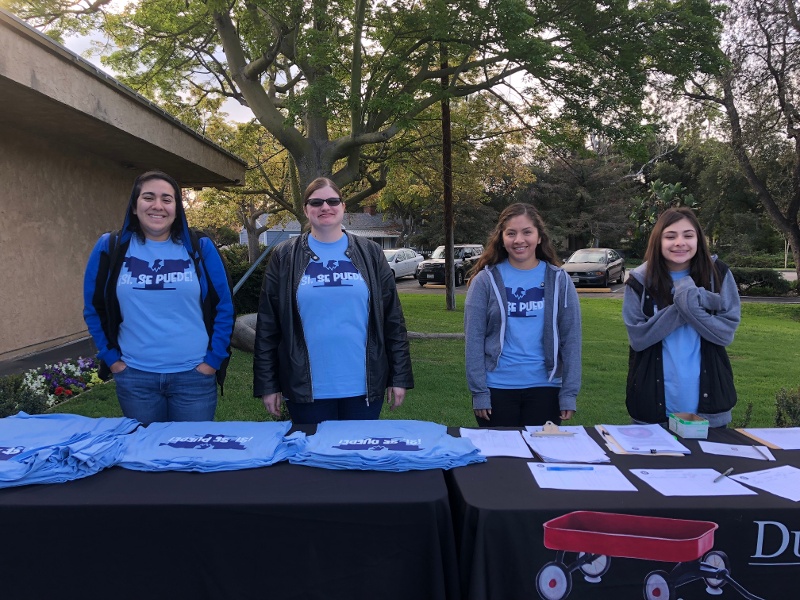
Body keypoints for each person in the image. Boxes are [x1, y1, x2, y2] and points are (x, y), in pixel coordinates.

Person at [253, 177, 414, 424]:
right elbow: (268, 326)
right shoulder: (285, 256)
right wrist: (268, 383)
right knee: (312, 459)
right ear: (306, 209)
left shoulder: (370, 253)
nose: (325, 207)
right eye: (316, 202)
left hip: (363, 387)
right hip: (306, 388)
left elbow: (393, 319)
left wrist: (399, 376)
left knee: (357, 460)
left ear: (343, 206)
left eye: (332, 201)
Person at [83, 171, 234, 425]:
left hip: (194, 377)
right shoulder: (110, 247)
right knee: (144, 459)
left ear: (177, 208)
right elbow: (93, 308)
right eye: (148, 197)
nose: (157, 206)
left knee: (190, 456)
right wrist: (113, 361)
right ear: (134, 205)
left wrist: (213, 361)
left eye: (167, 199)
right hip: (135, 378)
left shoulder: (201, 247)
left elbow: (225, 308)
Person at [464, 203, 582, 427]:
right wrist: (479, 392)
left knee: (540, 458)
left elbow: (571, 339)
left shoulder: (559, 280)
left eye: (527, 232)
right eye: (511, 233)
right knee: (501, 460)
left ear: (539, 237)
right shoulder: (485, 281)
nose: (519, 240)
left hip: (546, 388)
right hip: (497, 389)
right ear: (502, 238)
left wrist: (569, 393)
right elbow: (474, 340)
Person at [623, 207, 741, 427]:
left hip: (709, 409)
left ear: (699, 239)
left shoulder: (719, 274)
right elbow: (639, 339)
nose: (680, 242)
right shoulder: (639, 281)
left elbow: (725, 334)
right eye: (670, 236)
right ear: (658, 241)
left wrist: (686, 299)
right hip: (653, 407)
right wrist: (688, 300)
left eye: (688, 235)